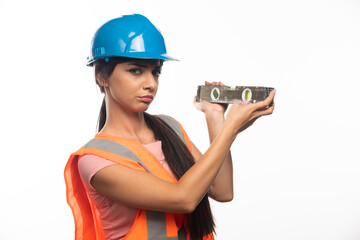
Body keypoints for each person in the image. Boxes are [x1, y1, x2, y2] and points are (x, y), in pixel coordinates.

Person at [64, 14, 275, 240]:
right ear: (101, 76)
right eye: (136, 70)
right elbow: (183, 198)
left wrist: (216, 117)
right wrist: (231, 129)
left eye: (156, 72)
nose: (151, 83)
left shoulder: (169, 128)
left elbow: (222, 191)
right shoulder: (95, 160)